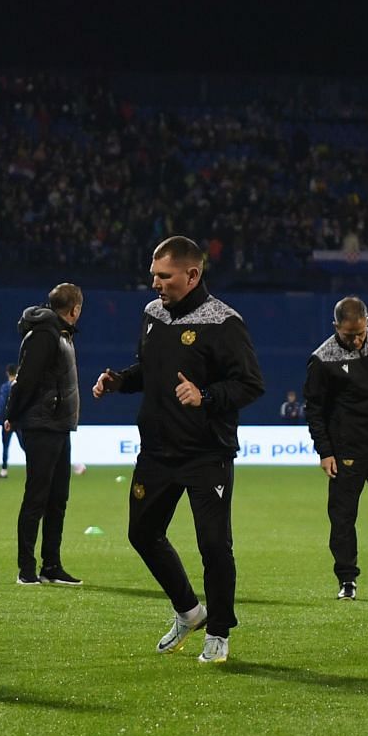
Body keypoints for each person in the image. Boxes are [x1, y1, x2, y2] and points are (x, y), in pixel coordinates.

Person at [93, 236, 264, 664]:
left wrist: (205, 396)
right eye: (153, 275)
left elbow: (249, 384)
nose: (155, 284)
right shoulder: (152, 314)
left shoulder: (224, 322)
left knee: (214, 546)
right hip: (156, 452)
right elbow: (151, 371)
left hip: (207, 453)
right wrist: (119, 381)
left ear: (192, 275)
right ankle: (190, 611)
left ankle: (220, 633)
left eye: (164, 277)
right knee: (142, 533)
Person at [304, 297, 368, 599]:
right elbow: (314, 408)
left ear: (367, 321)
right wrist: (325, 451)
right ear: (336, 327)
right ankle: (347, 579)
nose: (357, 339)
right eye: (350, 335)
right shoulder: (323, 359)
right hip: (346, 449)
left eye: (360, 332)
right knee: (343, 516)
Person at [7, 283, 85, 586]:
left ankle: (51, 566)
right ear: (74, 309)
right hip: (42, 425)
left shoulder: (59, 333)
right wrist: (12, 416)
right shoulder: (44, 335)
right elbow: (25, 380)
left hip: (58, 424)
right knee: (37, 498)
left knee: (57, 498)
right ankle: (27, 570)